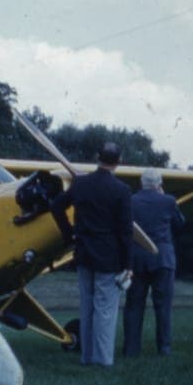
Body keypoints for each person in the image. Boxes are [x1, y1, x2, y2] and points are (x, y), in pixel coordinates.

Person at [48, 142, 134, 367]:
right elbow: (125, 231)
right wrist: (128, 264)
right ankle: (102, 360)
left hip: (83, 253)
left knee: (87, 307)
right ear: (119, 161)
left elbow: (56, 207)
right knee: (105, 310)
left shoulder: (81, 184)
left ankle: (87, 357)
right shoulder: (121, 190)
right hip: (108, 258)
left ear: (98, 157)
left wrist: (69, 236)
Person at [122, 168, 185, 356]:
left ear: (141, 183)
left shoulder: (130, 201)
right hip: (162, 259)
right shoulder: (169, 201)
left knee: (133, 305)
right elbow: (180, 223)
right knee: (163, 306)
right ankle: (164, 348)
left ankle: (131, 349)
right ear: (159, 184)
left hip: (137, 260)